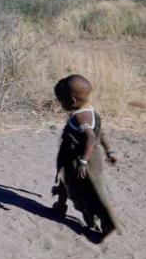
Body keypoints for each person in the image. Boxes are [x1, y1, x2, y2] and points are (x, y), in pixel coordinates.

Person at [51, 74, 120, 239]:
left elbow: (90, 137)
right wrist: (109, 151)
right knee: (65, 182)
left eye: (61, 101)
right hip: (89, 157)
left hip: (79, 159)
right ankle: (60, 207)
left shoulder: (79, 117)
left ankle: (100, 222)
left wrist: (82, 161)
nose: (61, 105)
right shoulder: (92, 111)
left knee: (84, 192)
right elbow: (100, 133)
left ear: (72, 101)